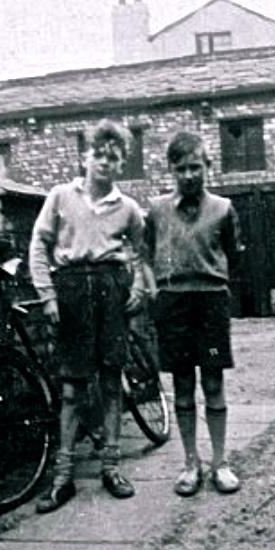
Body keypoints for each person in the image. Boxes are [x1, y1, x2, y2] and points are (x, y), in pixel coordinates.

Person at [29, 119, 145, 513]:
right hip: (72, 291)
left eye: (114, 158)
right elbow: (38, 245)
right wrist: (48, 296)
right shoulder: (61, 196)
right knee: (71, 390)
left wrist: (138, 289)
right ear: (85, 156)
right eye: (99, 155)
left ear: (121, 164)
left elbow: (141, 252)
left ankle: (111, 467)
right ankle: (64, 478)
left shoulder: (128, 208)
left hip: (111, 291)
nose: (105, 163)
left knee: (112, 382)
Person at [145, 131, 242, 496]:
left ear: (208, 167)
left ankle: (219, 462)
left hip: (211, 304)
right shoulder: (155, 210)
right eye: (182, 168)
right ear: (171, 169)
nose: (189, 175)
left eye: (196, 167)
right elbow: (146, 253)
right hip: (174, 306)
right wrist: (155, 290)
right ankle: (190, 463)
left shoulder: (223, 208)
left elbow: (234, 256)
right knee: (182, 384)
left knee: (213, 382)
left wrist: (216, 287)